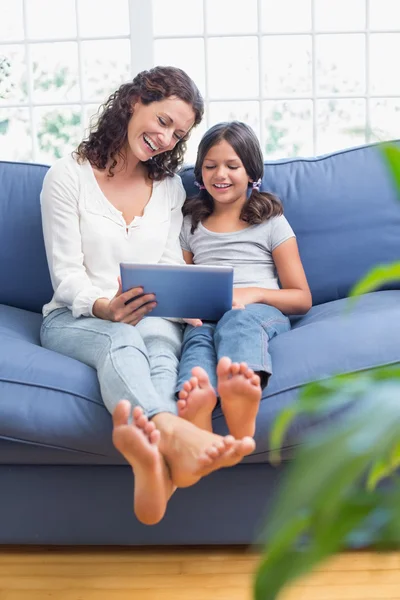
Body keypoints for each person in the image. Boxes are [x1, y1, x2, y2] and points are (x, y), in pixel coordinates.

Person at [39, 68, 255, 527]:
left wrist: (194, 301)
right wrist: (105, 308)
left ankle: (156, 472)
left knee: (161, 345)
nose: (164, 138)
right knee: (123, 341)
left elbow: (166, 261)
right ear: (134, 101)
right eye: (161, 121)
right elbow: (66, 277)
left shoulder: (170, 187)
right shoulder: (66, 177)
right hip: (77, 317)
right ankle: (171, 429)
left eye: (177, 133)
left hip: (151, 313)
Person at [176, 121, 312, 438]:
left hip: (257, 314)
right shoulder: (190, 222)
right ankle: (197, 402)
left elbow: (301, 298)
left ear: (251, 172)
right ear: (199, 174)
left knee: (236, 322)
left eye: (232, 166)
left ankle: (241, 389)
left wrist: (253, 293)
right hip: (208, 315)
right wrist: (186, 310)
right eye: (210, 166)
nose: (220, 174)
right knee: (197, 340)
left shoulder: (271, 221)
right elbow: (182, 282)